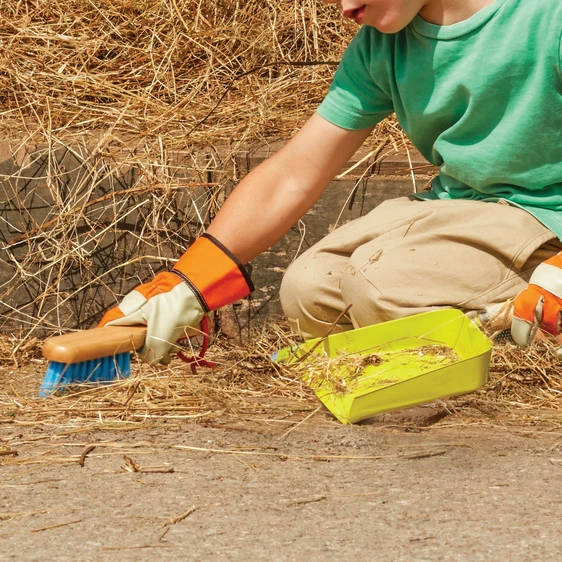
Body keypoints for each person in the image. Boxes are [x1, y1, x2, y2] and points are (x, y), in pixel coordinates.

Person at [99, 0, 562, 364]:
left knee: (382, 285)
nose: (341, 7)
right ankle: (469, 335)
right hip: (467, 211)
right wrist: (187, 284)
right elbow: (293, 173)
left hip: (547, 220)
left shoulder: (548, 16)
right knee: (311, 289)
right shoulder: (381, 46)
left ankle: (526, 332)